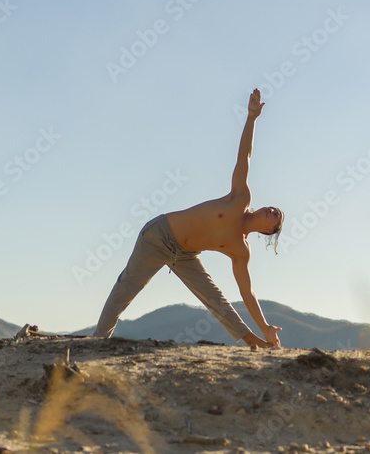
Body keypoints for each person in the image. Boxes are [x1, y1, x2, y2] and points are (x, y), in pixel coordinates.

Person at [93, 89, 285, 349]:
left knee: (215, 298)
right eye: (271, 207)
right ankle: (97, 341)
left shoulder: (241, 251)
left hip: (184, 255)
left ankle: (255, 341)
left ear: (268, 230)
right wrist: (251, 118)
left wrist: (266, 326)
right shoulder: (240, 199)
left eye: (274, 215)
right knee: (126, 289)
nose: (270, 210)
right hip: (159, 235)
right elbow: (245, 157)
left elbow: (247, 293)